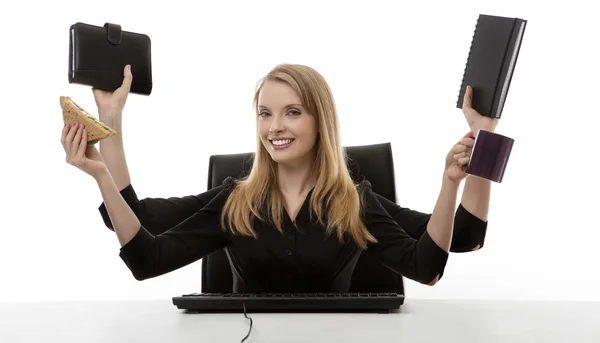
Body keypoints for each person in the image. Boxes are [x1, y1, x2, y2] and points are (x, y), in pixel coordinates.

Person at [61, 64, 494, 293]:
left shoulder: (354, 203)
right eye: (265, 113)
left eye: (292, 112)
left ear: (319, 120)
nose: (274, 128)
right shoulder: (236, 202)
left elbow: (449, 250)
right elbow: (144, 254)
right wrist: (108, 133)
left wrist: (476, 150)